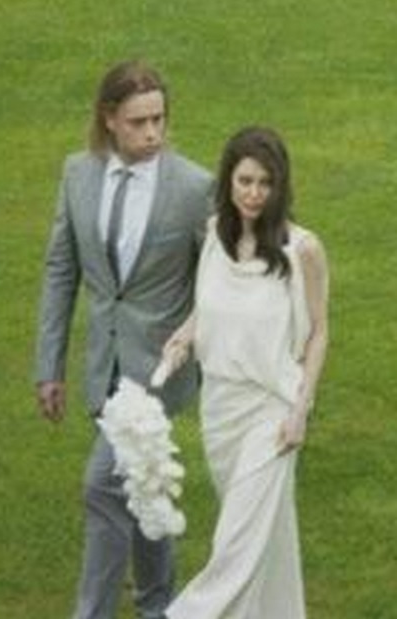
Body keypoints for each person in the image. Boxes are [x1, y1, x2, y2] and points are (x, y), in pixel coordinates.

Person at [34, 60, 213, 619]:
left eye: (159, 119)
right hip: (103, 366)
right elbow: (61, 270)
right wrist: (49, 367)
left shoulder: (194, 187)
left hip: (159, 370)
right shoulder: (77, 174)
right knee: (141, 485)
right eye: (139, 122)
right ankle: (159, 605)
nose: (153, 133)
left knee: (103, 489)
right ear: (109, 118)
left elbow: (221, 279)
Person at [158, 126, 329, 619]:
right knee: (267, 540)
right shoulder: (216, 234)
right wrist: (184, 337)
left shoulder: (303, 250)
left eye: (266, 183)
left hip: (272, 414)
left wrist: (300, 411)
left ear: (281, 186)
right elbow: (209, 307)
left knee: (235, 547)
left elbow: (319, 332)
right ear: (228, 181)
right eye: (245, 181)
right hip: (221, 411)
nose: (254, 194)